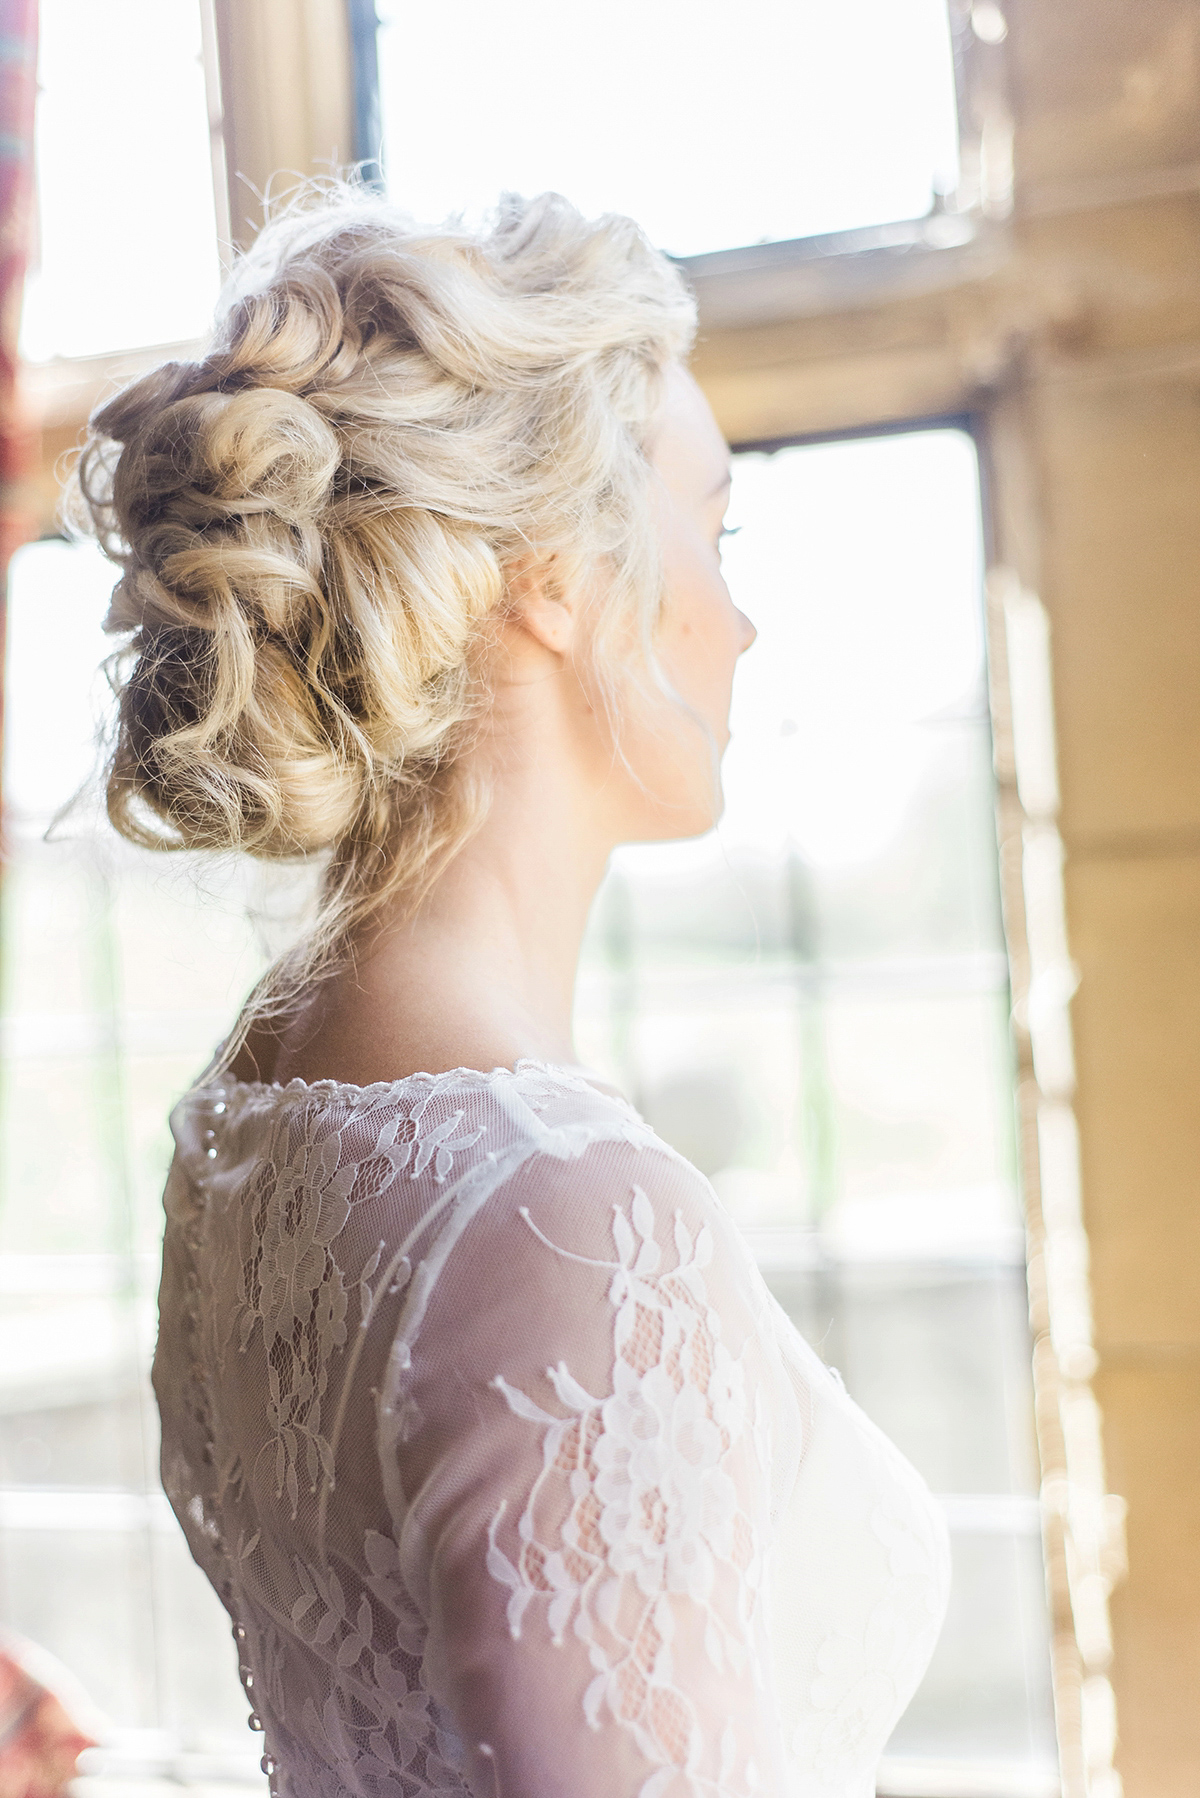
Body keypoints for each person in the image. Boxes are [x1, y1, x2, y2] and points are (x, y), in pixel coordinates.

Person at [73, 188, 949, 1798]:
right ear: (549, 572)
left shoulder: (254, 1111)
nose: (743, 616)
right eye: (715, 524)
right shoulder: (571, 1217)